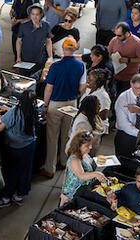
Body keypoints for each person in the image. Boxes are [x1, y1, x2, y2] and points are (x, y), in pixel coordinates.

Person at [43, 37, 86, 173]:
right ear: (75, 49)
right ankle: (63, 161)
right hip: (72, 103)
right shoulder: (81, 66)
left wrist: (45, 105)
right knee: (67, 135)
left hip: (56, 104)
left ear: (63, 48)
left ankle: (50, 168)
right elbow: (82, 87)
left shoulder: (55, 66)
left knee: (52, 137)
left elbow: (49, 88)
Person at [0, 89, 40, 207]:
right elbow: (22, 114)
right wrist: (9, 110)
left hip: (16, 147)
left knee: (11, 172)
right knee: (25, 170)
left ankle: (6, 198)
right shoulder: (34, 110)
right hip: (30, 145)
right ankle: (19, 195)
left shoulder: (15, 111)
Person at [112, 73, 140, 164]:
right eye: (137, 88)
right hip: (126, 135)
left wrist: (139, 110)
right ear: (131, 84)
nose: (139, 92)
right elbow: (123, 125)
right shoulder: (123, 98)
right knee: (122, 163)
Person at [60, 130, 107, 205]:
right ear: (78, 146)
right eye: (87, 146)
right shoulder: (74, 159)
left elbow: (89, 165)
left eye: (91, 144)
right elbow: (81, 176)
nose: (91, 147)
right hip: (74, 193)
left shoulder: (84, 154)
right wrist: (96, 174)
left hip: (85, 188)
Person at [107, 23, 140, 94]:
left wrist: (128, 60)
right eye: (116, 34)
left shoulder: (138, 43)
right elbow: (108, 52)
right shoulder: (114, 40)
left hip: (129, 77)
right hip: (115, 74)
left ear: (127, 33)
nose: (117, 37)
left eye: (119, 35)